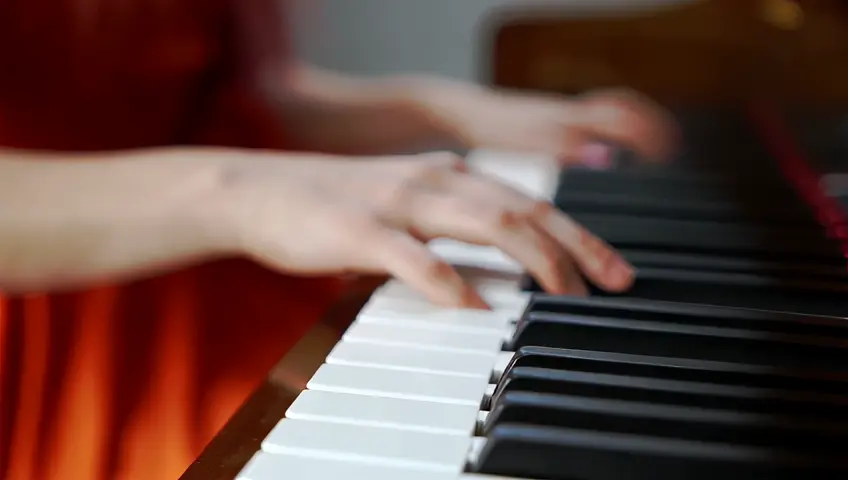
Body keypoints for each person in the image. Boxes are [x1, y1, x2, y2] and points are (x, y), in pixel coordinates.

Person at [0, 1, 677, 479]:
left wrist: (436, 107)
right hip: (71, 342)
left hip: (236, 282)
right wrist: (233, 190)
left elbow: (223, 93)